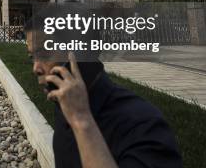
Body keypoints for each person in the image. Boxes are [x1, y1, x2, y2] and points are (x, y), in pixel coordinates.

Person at [26, 31, 183, 168]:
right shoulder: (65, 104)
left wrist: (82, 121)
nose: (35, 68)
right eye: (32, 57)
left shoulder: (144, 124)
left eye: (45, 53)